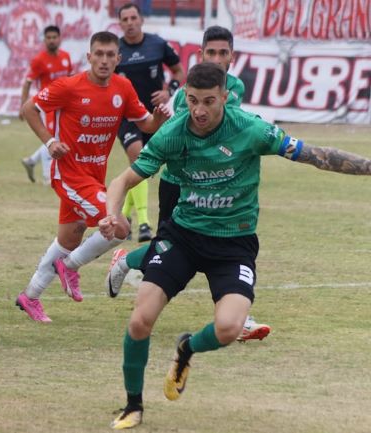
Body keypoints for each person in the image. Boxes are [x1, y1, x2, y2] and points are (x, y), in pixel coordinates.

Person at [99, 62, 371, 429]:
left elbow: (316, 155)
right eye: (192, 100)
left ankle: (187, 349)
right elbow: (122, 180)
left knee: (229, 328)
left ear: (225, 98)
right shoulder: (173, 133)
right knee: (140, 320)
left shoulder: (251, 129)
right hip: (183, 237)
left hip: (234, 243)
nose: (199, 110)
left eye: (209, 101)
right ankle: (133, 405)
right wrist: (112, 215)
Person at [107, 25, 271, 342]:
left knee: (225, 242)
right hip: (180, 182)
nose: (218, 58)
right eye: (211, 52)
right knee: (174, 247)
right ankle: (126, 260)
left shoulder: (235, 86)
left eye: (224, 53)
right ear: (200, 55)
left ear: (232, 57)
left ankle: (237, 315)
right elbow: (181, 135)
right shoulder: (187, 92)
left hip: (217, 182)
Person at [15, 31, 170, 322]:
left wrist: (158, 120)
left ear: (118, 59)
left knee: (69, 237)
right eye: (98, 54)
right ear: (89, 57)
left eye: (110, 55)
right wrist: (50, 142)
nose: (104, 60)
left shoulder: (123, 88)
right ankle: (71, 267)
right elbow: (29, 109)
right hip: (69, 175)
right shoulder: (69, 86)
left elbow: (146, 124)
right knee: (121, 227)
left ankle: (30, 296)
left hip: (94, 177)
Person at [115, 2, 185, 242]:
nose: (130, 23)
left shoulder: (157, 44)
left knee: (148, 170)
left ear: (141, 19)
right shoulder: (116, 50)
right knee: (138, 160)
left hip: (156, 117)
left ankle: (125, 215)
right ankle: (144, 224)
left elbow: (179, 71)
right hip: (128, 117)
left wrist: (169, 91)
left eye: (134, 17)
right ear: (120, 23)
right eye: (125, 19)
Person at [19, 25, 73, 185]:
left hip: (65, 105)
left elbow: (70, 79)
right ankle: (47, 177)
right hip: (47, 105)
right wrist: (23, 106)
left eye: (54, 37)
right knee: (50, 138)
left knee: (61, 137)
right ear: (44, 40)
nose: (51, 40)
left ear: (59, 38)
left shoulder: (66, 57)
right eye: (48, 38)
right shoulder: (39, 60)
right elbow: (27, 83)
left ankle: (31, 161)